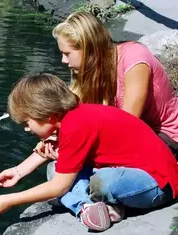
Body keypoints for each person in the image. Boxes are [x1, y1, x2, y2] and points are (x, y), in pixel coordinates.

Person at [0, 73, 178, 232]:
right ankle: (89, 209)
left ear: (45, 115)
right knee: (55, 168)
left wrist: (10, 200)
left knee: (103, 182)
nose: (26, 129)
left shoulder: (76, 126)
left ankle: (89, 204)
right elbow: (55, 152)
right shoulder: (72, 117)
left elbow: (58, 187)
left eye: (27, 122)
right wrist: (19, 171)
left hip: (158, 184)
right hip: (129, 173)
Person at [51, 11, 178, 159]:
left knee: (100, 175)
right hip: (139, 135)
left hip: (167, 136)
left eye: (67, 54)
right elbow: (74, 116)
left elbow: (126, 126)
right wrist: (54, 137)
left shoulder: (133, 58)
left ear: (89, 48)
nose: (63, 61)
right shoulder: (91, 69)